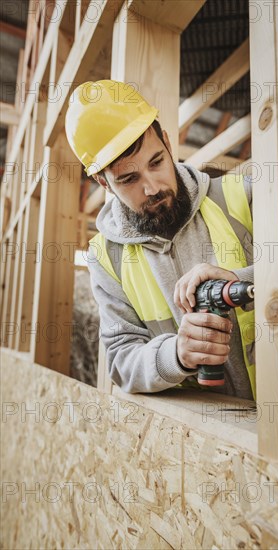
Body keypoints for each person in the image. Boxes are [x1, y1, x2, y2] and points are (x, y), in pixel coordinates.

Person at [65, 80, 255, 400]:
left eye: (156, 163)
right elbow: (122, 360)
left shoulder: (240, 198)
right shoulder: (106, 256)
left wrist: (241, 282)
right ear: (104, 182)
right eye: (129, 179)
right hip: (208, 436)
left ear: (167, 143)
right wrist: (176, 356)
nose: (152, 188)